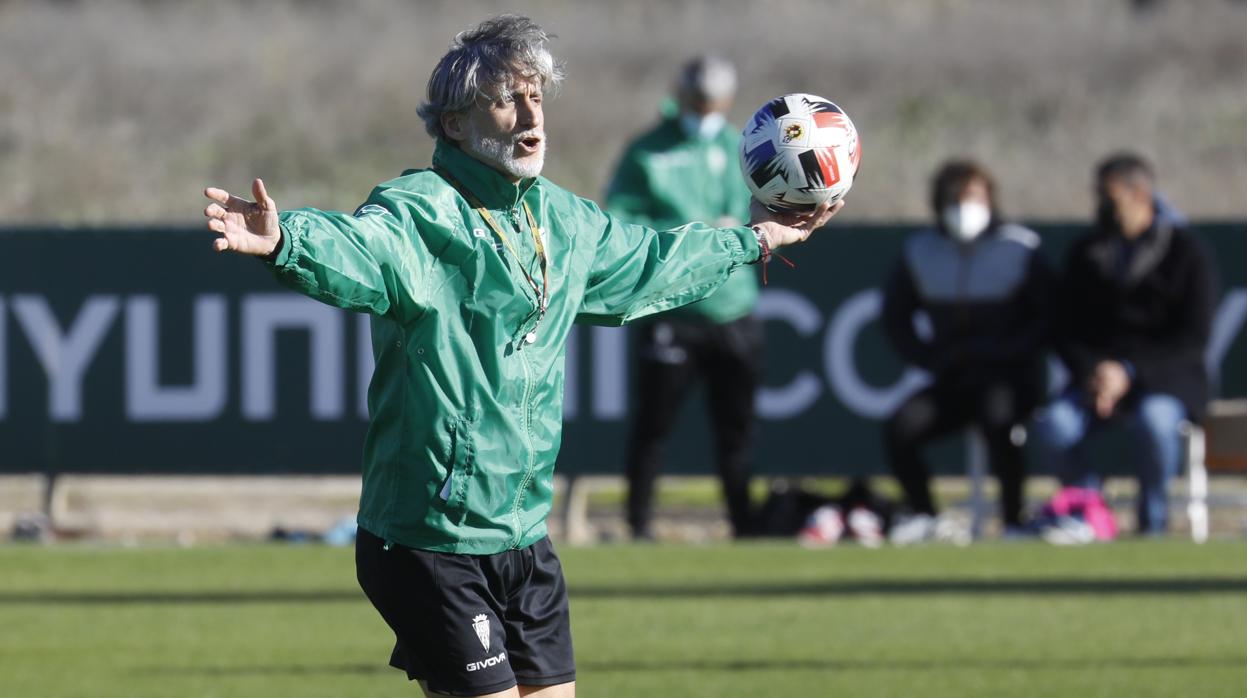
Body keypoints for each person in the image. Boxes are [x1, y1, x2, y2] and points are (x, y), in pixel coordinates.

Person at [201, 16, 839, 698]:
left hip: (522, 537)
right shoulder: (422, 213)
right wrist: (286, 241)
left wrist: (752, 239)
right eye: (506, 99)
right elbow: (361, 249)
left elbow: (650, 262)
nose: (531, 114)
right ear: (453, 125)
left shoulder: (560, 220)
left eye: (537, 95)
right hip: (428, 540)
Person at [605, 56, 761, 541]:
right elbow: (620, 221)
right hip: (671, 306)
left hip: (733, 305)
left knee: (736, 431)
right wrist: (685, 237)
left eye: (713, 102)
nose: (705, 109)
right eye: (698, 100)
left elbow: (764, 206)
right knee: (654, 426)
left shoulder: (742, 146)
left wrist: (742, 230)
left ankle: (744, 527)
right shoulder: (649, 152)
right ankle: (640, 526)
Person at [1034, 152, 1216, 536]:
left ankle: (1153, 521)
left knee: (1155, 422)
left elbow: (1192, 338)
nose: (1101, 205)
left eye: (1109, 196)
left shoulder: (1186, 251)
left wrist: (1129, 372)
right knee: (1055, 426)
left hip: (1164, 381)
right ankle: (1091, 511)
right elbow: (1066, 328)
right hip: (1096, 382)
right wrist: (1095, 372)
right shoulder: (1087, 252)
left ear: (1140, 193)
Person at [881, 160, 1055, 543]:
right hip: (953, 379)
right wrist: (931, 358)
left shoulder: (1019, 247)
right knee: (901, 427)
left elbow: (1045, 319)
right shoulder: (921, 252)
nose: (964, 206)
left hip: (1008, 376)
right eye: (954, 198)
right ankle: (927, 516)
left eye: (973, 196)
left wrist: (1002, 352)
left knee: (1001, 420)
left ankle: (1013, 520)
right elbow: (896, 319)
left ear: (990, 198)